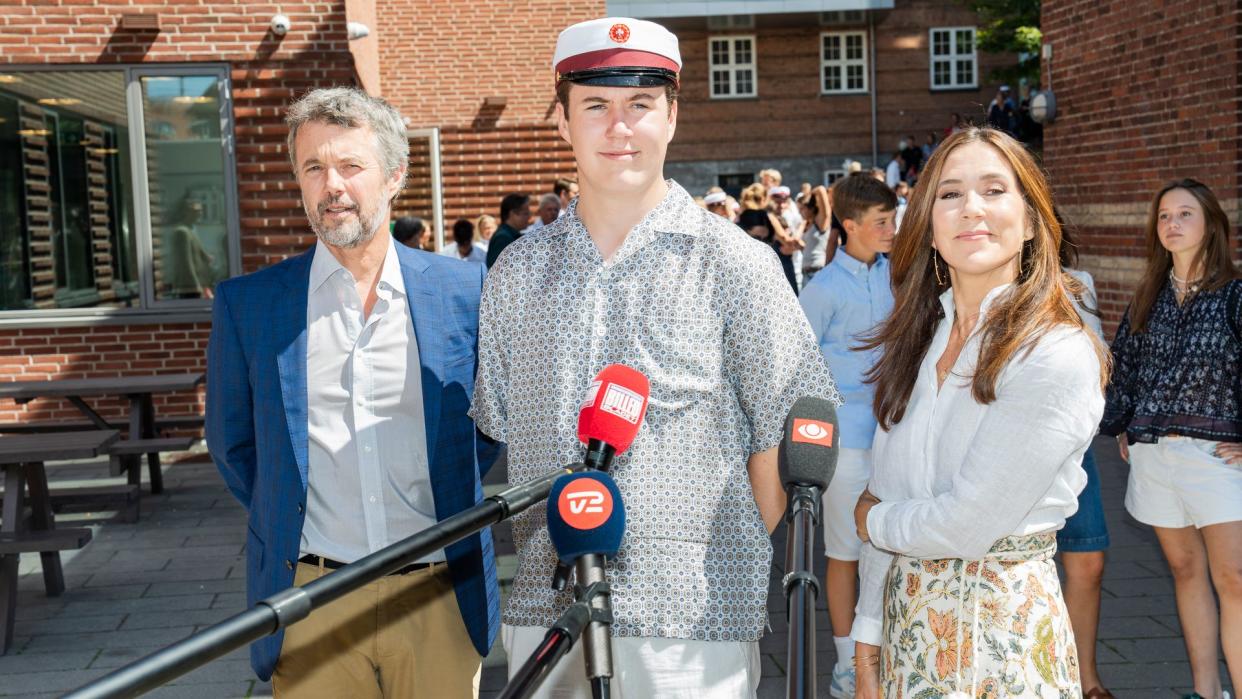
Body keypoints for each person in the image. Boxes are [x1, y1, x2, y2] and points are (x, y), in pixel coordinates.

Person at [470, 17, 840, 698]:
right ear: (562, 121)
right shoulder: (515, 273)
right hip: (548, 619)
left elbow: (784, 442)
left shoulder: (739, 265)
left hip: (691, 631)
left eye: (640, 104)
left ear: (672, 116)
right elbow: (501, 427)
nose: (620, 127)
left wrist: (704, 559)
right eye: (595, 106)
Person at [204, 87, 498, 697]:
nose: (330, 184)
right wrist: (289, 512)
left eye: (349, 165)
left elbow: (487, 433)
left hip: (440, 590)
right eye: (313, 167)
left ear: (394, 177)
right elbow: (234, 447)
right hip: (311, 602)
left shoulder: (467, 293)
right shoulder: (251, 305)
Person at [850, 127, 1110, 698]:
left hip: (1000, 640)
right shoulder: (918, 342)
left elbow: (966, 523)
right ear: (929, 224)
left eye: (994, 190)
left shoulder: (1055, 351)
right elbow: (886, 488)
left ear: (1033, 220)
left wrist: (870, 520)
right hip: (904, 639)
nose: (971, 208)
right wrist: (865, 653)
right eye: (949, 194)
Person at [1100, 178, 1242, 699]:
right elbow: (1123, 367)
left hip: (1219, 459)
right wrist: (1125, 423)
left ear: (1211, 226)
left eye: (1185, 214)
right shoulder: (1147, 297)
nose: (1172, 224)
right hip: (1155, 458)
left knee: (1235, 582)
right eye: (1164, 215)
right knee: (1185, 572)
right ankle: (1206, 692)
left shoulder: (1235, 295)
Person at [797, 173, 896, 698]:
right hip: (847, 442)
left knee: (891, 548)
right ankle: (844, 667)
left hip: (895, 438)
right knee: (845, 555)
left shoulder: (895, 276)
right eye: (881, 222)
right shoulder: (823, 289)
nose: (891, 229)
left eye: (893, 219)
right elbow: (798, 366)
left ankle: (882, 657)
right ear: (851, 225)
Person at [1057, 220, 1114, 699]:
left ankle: (1085, 679)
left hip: (1071, 447)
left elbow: (1099, 355)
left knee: (1088, 561)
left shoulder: (1078, 284)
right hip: (1002, 450)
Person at [163, 195, 218, 299]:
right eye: (196, 211)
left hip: (195, 285)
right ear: (186, 212)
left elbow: (198, 254)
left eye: (200, 211)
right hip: (189, 287)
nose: (200, 214)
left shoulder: (190, 230)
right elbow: (186, 263)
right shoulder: (182, 232)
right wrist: (196, 286)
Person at [798, 185, 835, 285]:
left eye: (802, 208)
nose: (800, 212)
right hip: (805, 273)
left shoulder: (820, 223)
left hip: (818, 272)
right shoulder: (806, 224)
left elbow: (821, 190)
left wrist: (810, 194)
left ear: (811, 208)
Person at [485, 192, 531, 268]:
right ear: (512, 214)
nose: (529, 217)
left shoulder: (511, 236)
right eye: (525, 213)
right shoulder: (502, 238)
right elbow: (497, 271)